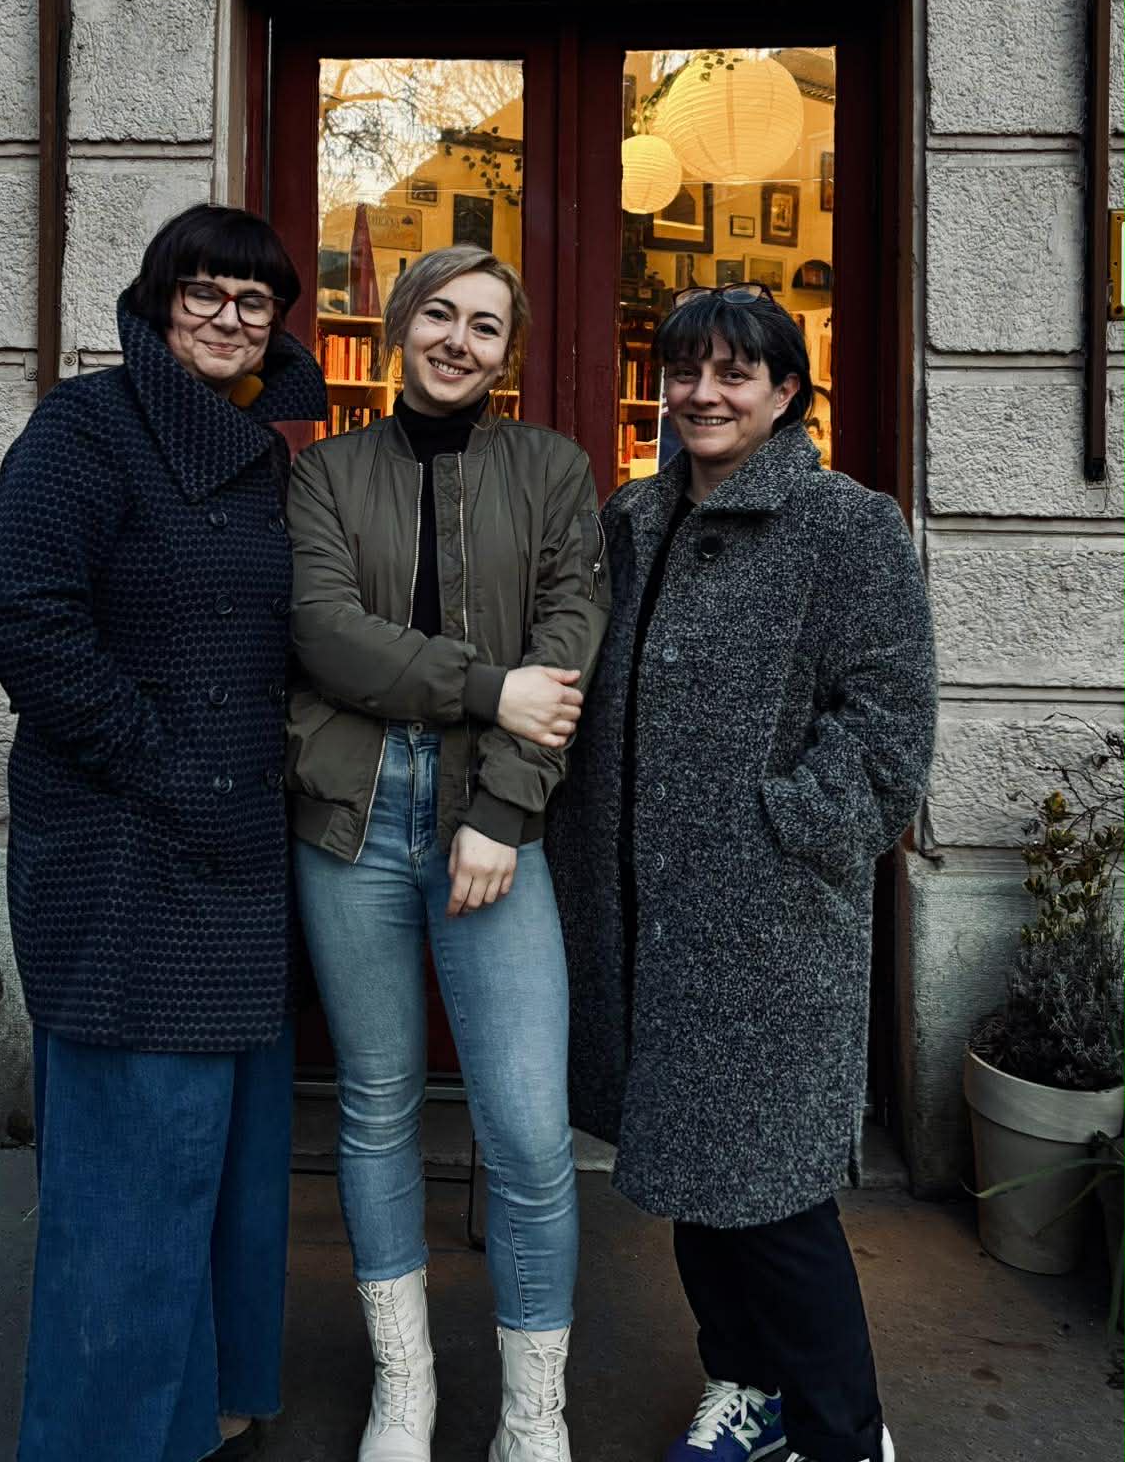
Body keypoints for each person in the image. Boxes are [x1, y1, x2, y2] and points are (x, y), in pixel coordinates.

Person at [547, 284, 936, 1462]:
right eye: (684, 371)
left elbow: (888, 727)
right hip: (639, 912)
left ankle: (844, 1432)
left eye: (733, 372)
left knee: (774, 1197)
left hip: (768, 916)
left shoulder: (845, 525)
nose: (702, 393)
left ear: (785, 391)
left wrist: (784, 829)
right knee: (689, 1173)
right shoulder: (633, 515)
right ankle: (747, 1383)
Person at [0, 203, 326, 1462]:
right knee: (131, 1175)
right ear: (156, 300)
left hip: (242, 854)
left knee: (226, 1164)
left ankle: (207, 1407)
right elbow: (27, 618)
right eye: (204, 291)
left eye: (254, 299)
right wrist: (165, 767)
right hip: (122, 848)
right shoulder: (84, 428)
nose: (229, 317)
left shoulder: (272, 457)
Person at [286, 244, 610, 1462]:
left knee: (527, 1131)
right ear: (397, 326)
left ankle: (533, 1409)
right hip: (353, 815)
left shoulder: (554, 468)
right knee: (376, 1108)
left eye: (484, 324)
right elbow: (325, 633)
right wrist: (485, 686)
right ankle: (404, 1386)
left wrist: (505, 808)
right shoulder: (326, 472)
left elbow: (567, 647)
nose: (458, 340)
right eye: (439, 313)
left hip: (493, 818)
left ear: (506, 351)